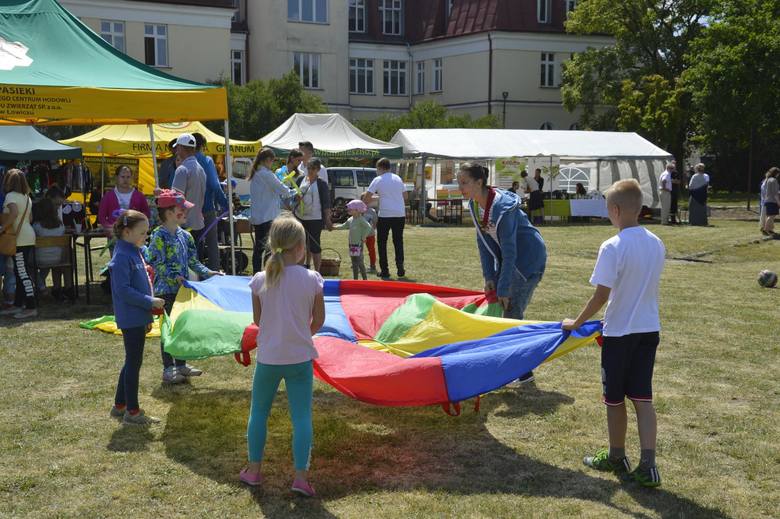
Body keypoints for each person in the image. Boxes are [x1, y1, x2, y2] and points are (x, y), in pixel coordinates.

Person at [562, 178, 665, 488]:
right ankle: (648, 465)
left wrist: (576, 323)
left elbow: (600, 296)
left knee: (614, 399)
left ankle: (617, 455)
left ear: (616, 210)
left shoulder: (612, 246)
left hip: (619, 334)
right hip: (648, 330)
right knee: (643, 398)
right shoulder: (656, 242)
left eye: (608, 209)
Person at [241, 216, 325, 497]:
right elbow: (319, 321)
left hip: (268, 358)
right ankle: (301, 477)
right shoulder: (312, 279)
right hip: (300, 357)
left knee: (259, 413)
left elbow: (258, 320)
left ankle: (253, 470)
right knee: (302, 417)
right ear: (301, 247)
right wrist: (301, 333)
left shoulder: (260, 280)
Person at [457, 163, 546, 384]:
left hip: (527, 261)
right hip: (510, 261)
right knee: (499, 308)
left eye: (464, 182)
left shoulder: (503, 207)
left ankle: (522, 372)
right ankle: (512, 366)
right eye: (459, 182)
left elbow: (510, 251)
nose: (460, 187)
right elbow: (483, 241)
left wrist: (504, 287)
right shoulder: (474, 204)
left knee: (511, 311)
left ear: (479, 182)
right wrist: (489, 276)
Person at [145, 189, 221, 384]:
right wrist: (174, 276)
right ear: (169, 213)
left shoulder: (185, 236)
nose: (186, 213)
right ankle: (168, 367)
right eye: (182, 210)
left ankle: (181, 365)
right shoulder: (158, 236)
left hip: (182, 290)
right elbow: (154, 261)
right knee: (168, 329)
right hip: (165, 292)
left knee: (182, 327)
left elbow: (193, 261)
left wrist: (208, 272)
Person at [108, 209, 165, 426]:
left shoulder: (134, 250)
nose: (145, 237)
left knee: (131, 360)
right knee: (134, 362)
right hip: (130, 316)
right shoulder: (122, 256)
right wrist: (149, 302)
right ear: (126, 232)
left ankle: (120, 404)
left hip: (138, 316)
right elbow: (123, 290)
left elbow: (141, 282)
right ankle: (132, 412)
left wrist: (147, 313)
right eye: (142, 233)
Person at [248, 147, 296, 274]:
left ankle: (256, 274)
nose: (272, 164)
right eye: (272, 161)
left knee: (258, 249)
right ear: (267, 160)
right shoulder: (267, 174)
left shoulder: (256, 173)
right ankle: (268, 274)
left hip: (258, 217)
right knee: (269, 248)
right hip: (267, 217)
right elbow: (283, 190)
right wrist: (294, 192)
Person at [361, 158, 407, 279]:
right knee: (398, 241)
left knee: (382, 243)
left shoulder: (378, 179)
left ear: (380, 168)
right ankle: (400, 266)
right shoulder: (398, 178)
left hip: (385, 214)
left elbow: (366, 198)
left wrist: (378, 197)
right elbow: (405, 195)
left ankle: (385, 270)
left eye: (377, 169)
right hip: (399, 213)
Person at [0, 169, 37, 319]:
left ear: (8, 181)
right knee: (19, 271)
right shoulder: (27, 197)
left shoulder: (10, 196)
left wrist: (3, 227)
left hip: (19, 238)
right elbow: (31, 218)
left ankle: (31, 307)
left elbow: (14, 213)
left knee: (22, 273)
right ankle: (18, 304)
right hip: (28, 236)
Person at [193, 133, 229, 271]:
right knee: (212, 243)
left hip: (187, 211)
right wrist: (225, 203)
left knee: (193, 244)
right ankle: (213, 273)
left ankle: (193, 274)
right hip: (207, 208)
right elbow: (214, 185)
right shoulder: (206, 160)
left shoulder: (182, 160)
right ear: (202, 146)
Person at [294, 158, 332, 272]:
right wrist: (296, 198)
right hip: (299, 218)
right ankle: (300, 271)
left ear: (318, 169)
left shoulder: (322, 184)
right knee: (300, 245)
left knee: (315, 246)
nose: (310, 170)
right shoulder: (300, 179)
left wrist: (328, 220)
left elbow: (326, 204)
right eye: (309, 167)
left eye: (313, 168)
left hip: (315, 219)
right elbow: (292, 196)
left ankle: (317, 272)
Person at [33, 198, 74, 301]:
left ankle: (41, 287)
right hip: (57, 259)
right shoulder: (61, 226)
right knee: (45, 266)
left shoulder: (36, 226)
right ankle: (41, 287)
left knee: (28, 265)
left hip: (40, 259)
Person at [98, 165, 151, 231]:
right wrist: (109, 227)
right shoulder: (108, 196)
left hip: (134, 233)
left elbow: (147, 213)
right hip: (114, 234)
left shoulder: (139, 196)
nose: (125, 179)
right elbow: (101, 217)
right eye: (122, 177)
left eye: (128, 177)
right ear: (116, 177)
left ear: (132, 178)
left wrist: (137, 221)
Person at [334, 199, 373, 280]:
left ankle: (365, 280)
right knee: (354, 263)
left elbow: (368, 227)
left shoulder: (360, 219)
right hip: (351, 244)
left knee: (360, 262)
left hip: (358, 244)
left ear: (357, 210)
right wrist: (334, 227)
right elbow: (343, 226)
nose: (348, 210)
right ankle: (355, 280)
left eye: (350, 209)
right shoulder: (350, 219)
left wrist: (363, 236)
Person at [762, 167, 780, 235]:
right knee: (772, 216)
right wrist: (778, 202)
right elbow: (775, 193)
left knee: (770, 215)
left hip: (768, 200)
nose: (778, 175)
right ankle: (765, 230)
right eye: (778, 173)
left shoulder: (768, 179)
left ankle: (770, 229)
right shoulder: (774, 180)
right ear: (776, 173)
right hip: (772, 201)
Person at [363, 203, 378, 272]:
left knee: (371, 250)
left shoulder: (372, 211)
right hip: (360, 234)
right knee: (358, 250)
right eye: (364, 200)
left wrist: (372, 230)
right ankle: (357, 264)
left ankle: (372, 265)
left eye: (368, 201)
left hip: (370, 234)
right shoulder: (359, 210)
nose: (366, 202)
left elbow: (375, 222)